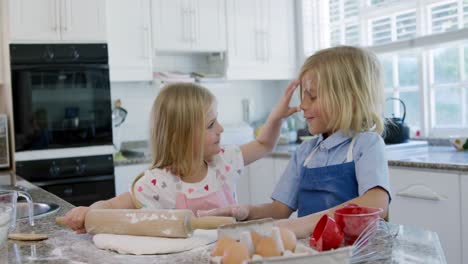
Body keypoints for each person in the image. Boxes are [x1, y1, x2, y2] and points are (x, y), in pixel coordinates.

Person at [198, 46, 391, 239]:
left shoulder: (366, 144)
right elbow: (279, 210)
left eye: (312, 96)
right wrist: (246, 212)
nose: (303, 105)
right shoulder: (306, 152)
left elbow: (376, 203)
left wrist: (305, 224)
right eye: (303, 96)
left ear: (350, 100)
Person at [63, 82, 300, 233]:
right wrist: (89, 212)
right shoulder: (159, 182)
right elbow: (111, 206)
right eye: (210, 124)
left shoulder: (223, 162)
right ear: (183, 136)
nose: (220, 129)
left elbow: (264, 143)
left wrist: (277, 116)